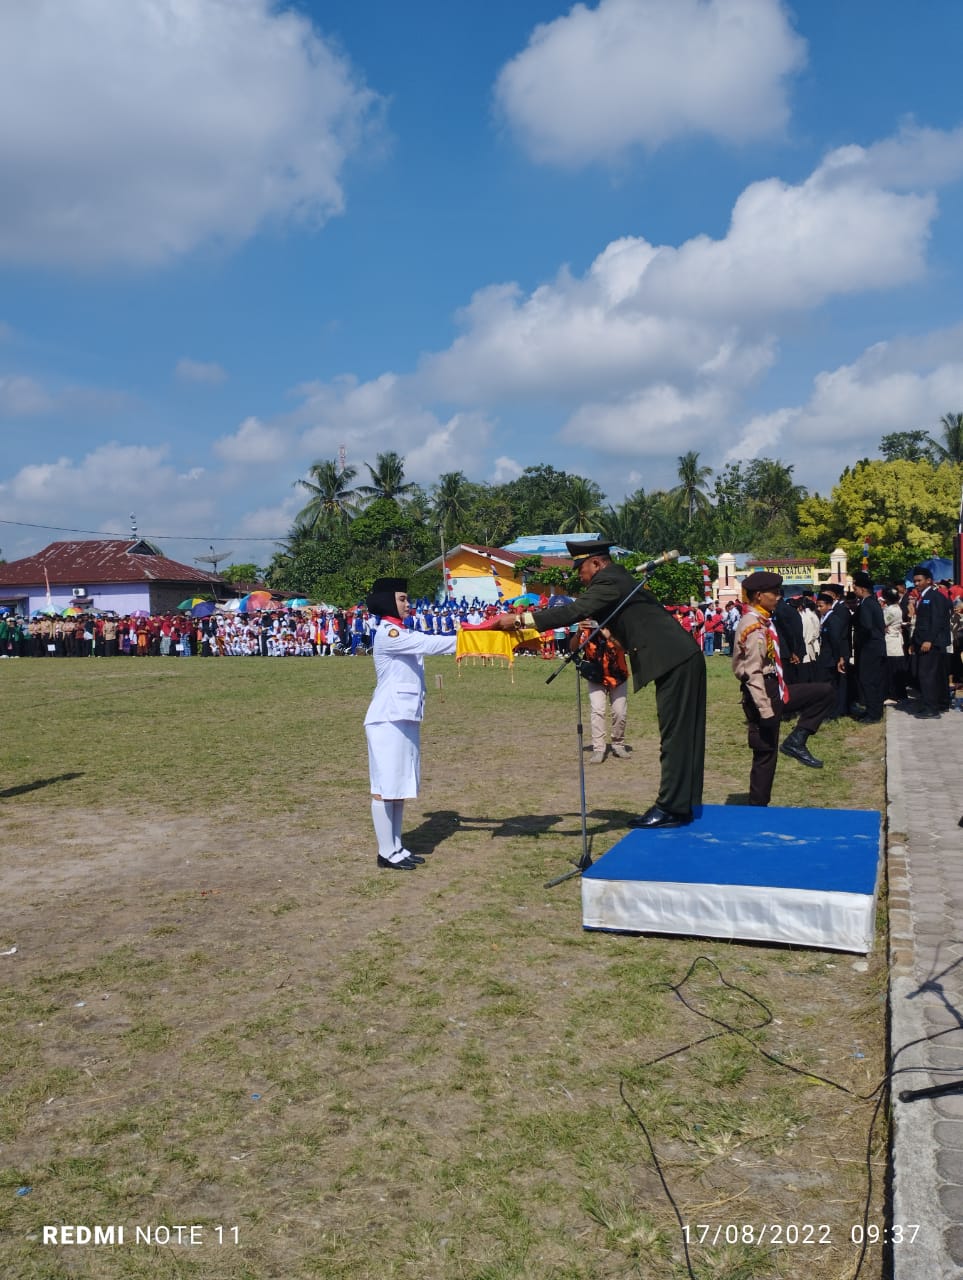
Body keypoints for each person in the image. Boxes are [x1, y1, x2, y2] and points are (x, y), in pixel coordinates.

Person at [491, 541, 705, 828]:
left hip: (674, 659)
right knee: (683, 734)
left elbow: (574, 612)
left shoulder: (609, 580)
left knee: (676, 735)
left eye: (582, 570)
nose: (580, 577)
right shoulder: (618, 578)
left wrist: (520, 620)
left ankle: (671, 808)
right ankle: (684, 802)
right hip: (679, 657)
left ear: (597, 563)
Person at [364, 577, 457, 869]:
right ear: (388, 601)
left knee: (399, 787)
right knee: (384, 787)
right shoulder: (390, 633)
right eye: (402, 599)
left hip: (403, 716)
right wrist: (475, 636)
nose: (408, 604)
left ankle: (397, 847)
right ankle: (385, 851)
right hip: (387, 718)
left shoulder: (401, 630)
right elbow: (431, 644)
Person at [731, 572, 836, 806]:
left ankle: (796, 740)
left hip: (775, 688)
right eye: (774, 593)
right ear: (759, 596)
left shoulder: (762, 619)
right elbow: (751, 672)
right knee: (765, 753)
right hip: (762, 692)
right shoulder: (753, 626)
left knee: (824, 692)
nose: (779, 597)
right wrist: (764, 708)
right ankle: (758, 807)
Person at [571, 622, 630, 763]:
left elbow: (625, 648)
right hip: (596, 676)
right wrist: (578, 633)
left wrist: (610, 637)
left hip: (618, 676)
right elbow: (573, 649)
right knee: (597, 710)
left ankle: (618, 743)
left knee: (619, 712)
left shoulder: (617, 625)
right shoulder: (586, 629)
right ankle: (599, 749)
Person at [909, 564, 952, 717]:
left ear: (928, 580)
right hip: (924, 641)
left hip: (931, 643)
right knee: (936, 675)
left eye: (919, 580)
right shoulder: (924, 597)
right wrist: (914, 642)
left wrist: (928, 640)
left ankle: (931, 708)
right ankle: (940, 703)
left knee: (927, 675)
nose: (916, 584)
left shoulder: (934, 596)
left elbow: (937, 621)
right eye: (914, 581)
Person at [850, 571, 886, 723]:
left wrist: (859, 641)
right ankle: (873, 710)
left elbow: (866, 627)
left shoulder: (867, 604)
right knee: (872, 680)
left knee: (868, 680)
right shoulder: (871, 602)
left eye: (855, 588)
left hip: (869, 648)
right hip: (874, 647)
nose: (854, 590)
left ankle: (874, 713)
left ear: (862, 589)